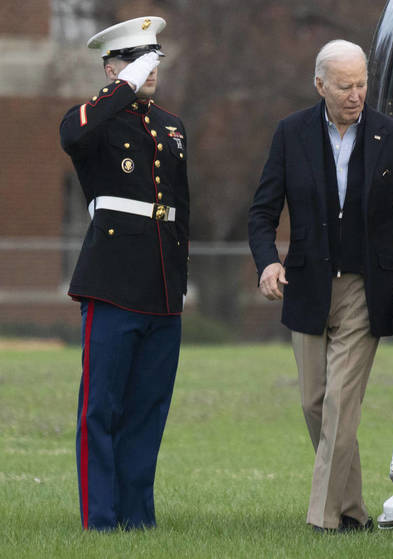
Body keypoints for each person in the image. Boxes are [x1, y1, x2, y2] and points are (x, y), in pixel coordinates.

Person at [248, 39, 393, 533]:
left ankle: (323, 520)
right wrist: (267, 263)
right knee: (315, 403)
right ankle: (352, 511)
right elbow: (262, 211)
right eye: (346, 86)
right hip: (306, 286)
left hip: (366, 289)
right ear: (320, 85)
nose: (356, 94)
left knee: (339, 404)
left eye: (362, 84)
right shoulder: (290, 134)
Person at [59, 16, 189, 530]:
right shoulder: (94, 120)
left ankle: (138, 517)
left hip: (161, 284)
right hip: (113, 282)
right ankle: (101, 518)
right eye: (136, 59)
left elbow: (182, 209)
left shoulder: (171, 125)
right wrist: (124, 86)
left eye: (152, 56)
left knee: (148, 409)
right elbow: (74, 138)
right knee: (102, 408)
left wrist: (179, 280)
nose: (149, 67)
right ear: (112, 68)